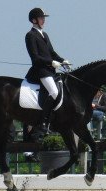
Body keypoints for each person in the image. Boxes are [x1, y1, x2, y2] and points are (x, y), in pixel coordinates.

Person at [25, 8, 71, 136]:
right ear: (34, 20)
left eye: (43, 18)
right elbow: (35, 57)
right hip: (40, 71)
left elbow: (52, 52)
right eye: (41, 18)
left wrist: (62, 60)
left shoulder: (44, 35)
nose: (43, 20)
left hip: (50, 70)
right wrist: (51, 62)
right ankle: (43, 123)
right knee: (54, 92)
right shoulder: (30, 35)